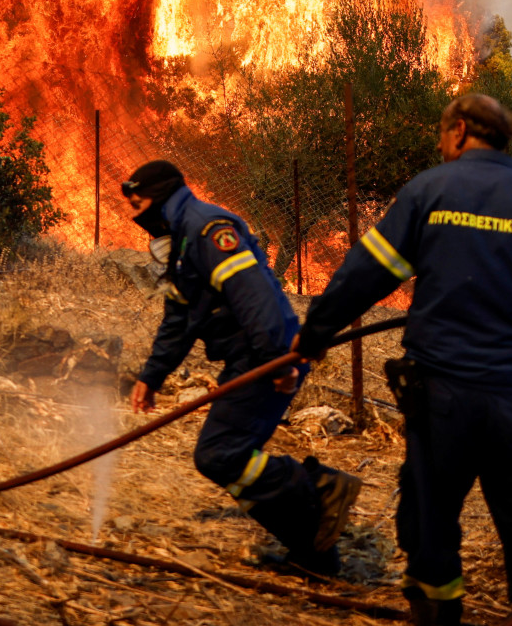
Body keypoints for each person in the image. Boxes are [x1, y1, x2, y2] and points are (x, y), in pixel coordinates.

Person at [295, 93, 512, 626]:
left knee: (430, 516)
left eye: (441, 136)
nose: (441, 145)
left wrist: (315, 333)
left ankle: (437, 612)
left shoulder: (430, 189)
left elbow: (366, 274)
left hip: (442, 398)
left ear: (459, 131)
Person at [123, 160, 364, 576]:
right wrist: (152, 375)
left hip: (263, 355)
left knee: (220, 455)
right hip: (248, 355)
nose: (134, 213)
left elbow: (255, 298)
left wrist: (275, 361)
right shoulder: (181, 239)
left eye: (139, 202)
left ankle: (320, 487)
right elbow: (178, 320)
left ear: (160, 195)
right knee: (230, 458)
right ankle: (314, 556)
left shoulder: (207, 229)